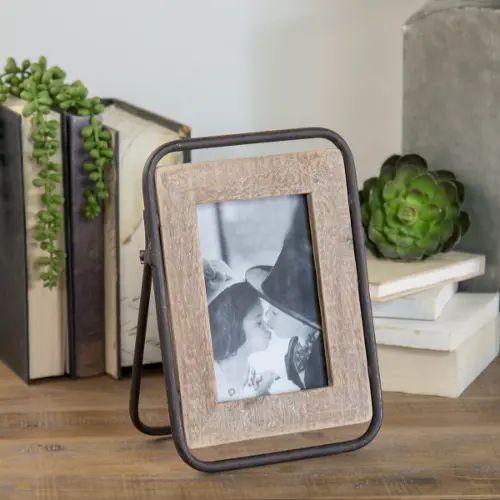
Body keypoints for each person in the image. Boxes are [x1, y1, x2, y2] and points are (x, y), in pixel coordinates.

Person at [246, 197, 328, 390]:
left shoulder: (322, 352)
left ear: (299, 317)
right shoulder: (294, 347)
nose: (267, 318)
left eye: (274, 312)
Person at [208, 281, 280, 401]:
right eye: (258, 322)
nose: (268, 327)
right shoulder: (211, 380)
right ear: (234, 326)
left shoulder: (263, 377)